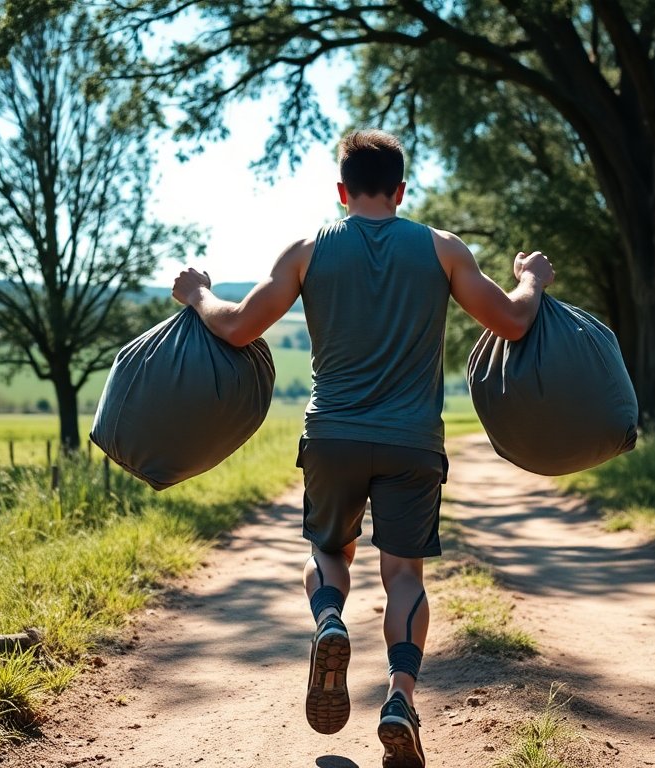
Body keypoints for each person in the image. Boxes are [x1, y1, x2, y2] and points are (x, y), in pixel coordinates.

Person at [172, 128, 553, 768]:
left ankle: (329, 621)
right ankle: (400, 697)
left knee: (328, 550)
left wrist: (198, 292)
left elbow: (236, 328)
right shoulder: (442, 250)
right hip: (413, 443)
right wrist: (531, 279)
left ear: (342, 191)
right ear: (401, 191)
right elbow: (514, 321)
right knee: (403, 575)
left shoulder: (306, 251)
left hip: (332, 436)